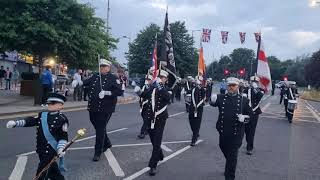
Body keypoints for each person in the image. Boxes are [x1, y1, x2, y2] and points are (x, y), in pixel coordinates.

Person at [6, 93, 69, 180]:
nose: (50, 105)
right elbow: (31, 121)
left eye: (53, 103)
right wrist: (16, 123)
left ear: (61, 105)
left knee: (41, 173)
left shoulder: (62, 119)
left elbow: (63, 137)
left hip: (50, 150)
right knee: (54, 173)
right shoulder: (43, 115)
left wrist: (60, 148)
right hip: (41, 149)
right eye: (49, 103)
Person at [210, 77, 253, 180]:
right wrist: (211, 99)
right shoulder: (221, 97)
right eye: (229, 85)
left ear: (238, 86)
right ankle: (229, 164)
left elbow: (251, 115)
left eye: (233, 85)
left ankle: (229, 176)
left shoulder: (244, 100)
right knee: (223, 148)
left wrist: (245, 118)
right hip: (223, 131)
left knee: (232, 157)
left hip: (236, 133)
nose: (231, 87)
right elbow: (213, 103)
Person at [83, 59, 123, 161]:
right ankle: (107, 142)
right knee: (96, 125)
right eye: (101, 66)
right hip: (93, 107)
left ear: (108, 68)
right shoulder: (95, 76)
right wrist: (79, 82)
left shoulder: (113, 78)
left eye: (104, 66)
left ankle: (98, 151)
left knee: (100, 129)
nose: (102, 68)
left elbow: (119, 91)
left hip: (105, 108)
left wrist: (107, 93)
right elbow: (86, 83)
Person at [141, 70, 171, 176]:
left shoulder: (166, 89)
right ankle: (160, 154)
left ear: (166, 79)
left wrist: (159, 87)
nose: (161, 78)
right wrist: (141, 89)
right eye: (160, 76)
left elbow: (168, 98)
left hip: (160, 119)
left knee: (157, 141)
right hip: (150, 118)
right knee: (153, 140)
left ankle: (153, 165)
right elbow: (144, 95)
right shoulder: (153, 87)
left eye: (163, 77)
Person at [243, 76, 264, 155]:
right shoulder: (246, 89)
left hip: (255, 113)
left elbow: (260, 96)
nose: (254, 83)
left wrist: (256, 88)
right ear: (250, 82)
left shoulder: (260, 90)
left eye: (256, 82)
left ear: (258, 83)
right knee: (245, 130)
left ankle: (249, 148)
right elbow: (244, 100)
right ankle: (248, 142)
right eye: (253, 82)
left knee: (252, 131)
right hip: (246, 112)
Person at [189, 75, 206, 146]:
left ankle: (194, 139)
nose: (196, 81)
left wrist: (200, 86)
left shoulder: (202, 89)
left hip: (199, 108)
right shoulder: (193, 87)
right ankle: (195, 133)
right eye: (196, 80)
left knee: (197, 123)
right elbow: (188, 92)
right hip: (192, 107)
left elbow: (204, 97)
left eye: (198, 80)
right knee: (191, 121)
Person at [135, 74, 153, 139]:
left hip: (150, 105)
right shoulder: (143, 87)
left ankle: (142, 133)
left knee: (146, 119)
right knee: (145, 119)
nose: (147, 81)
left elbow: (148, 95)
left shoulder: (153, 87)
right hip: (143, 106)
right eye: (146, 79)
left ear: (151, 80)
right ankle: (148, 129)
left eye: (149, 79)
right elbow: (141, 96)